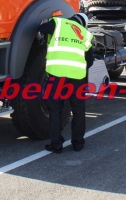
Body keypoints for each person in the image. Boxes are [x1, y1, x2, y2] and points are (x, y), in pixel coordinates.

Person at [38, 12, 94, 154]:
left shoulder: (59, 23)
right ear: (83, 23)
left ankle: (56, 144)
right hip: (77, 77)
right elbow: (90, 61)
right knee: (78, 109)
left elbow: (43, 30)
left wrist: (44, 25)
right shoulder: (85, 34)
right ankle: (78, 143)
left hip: (57, 75)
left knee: (55, 109)